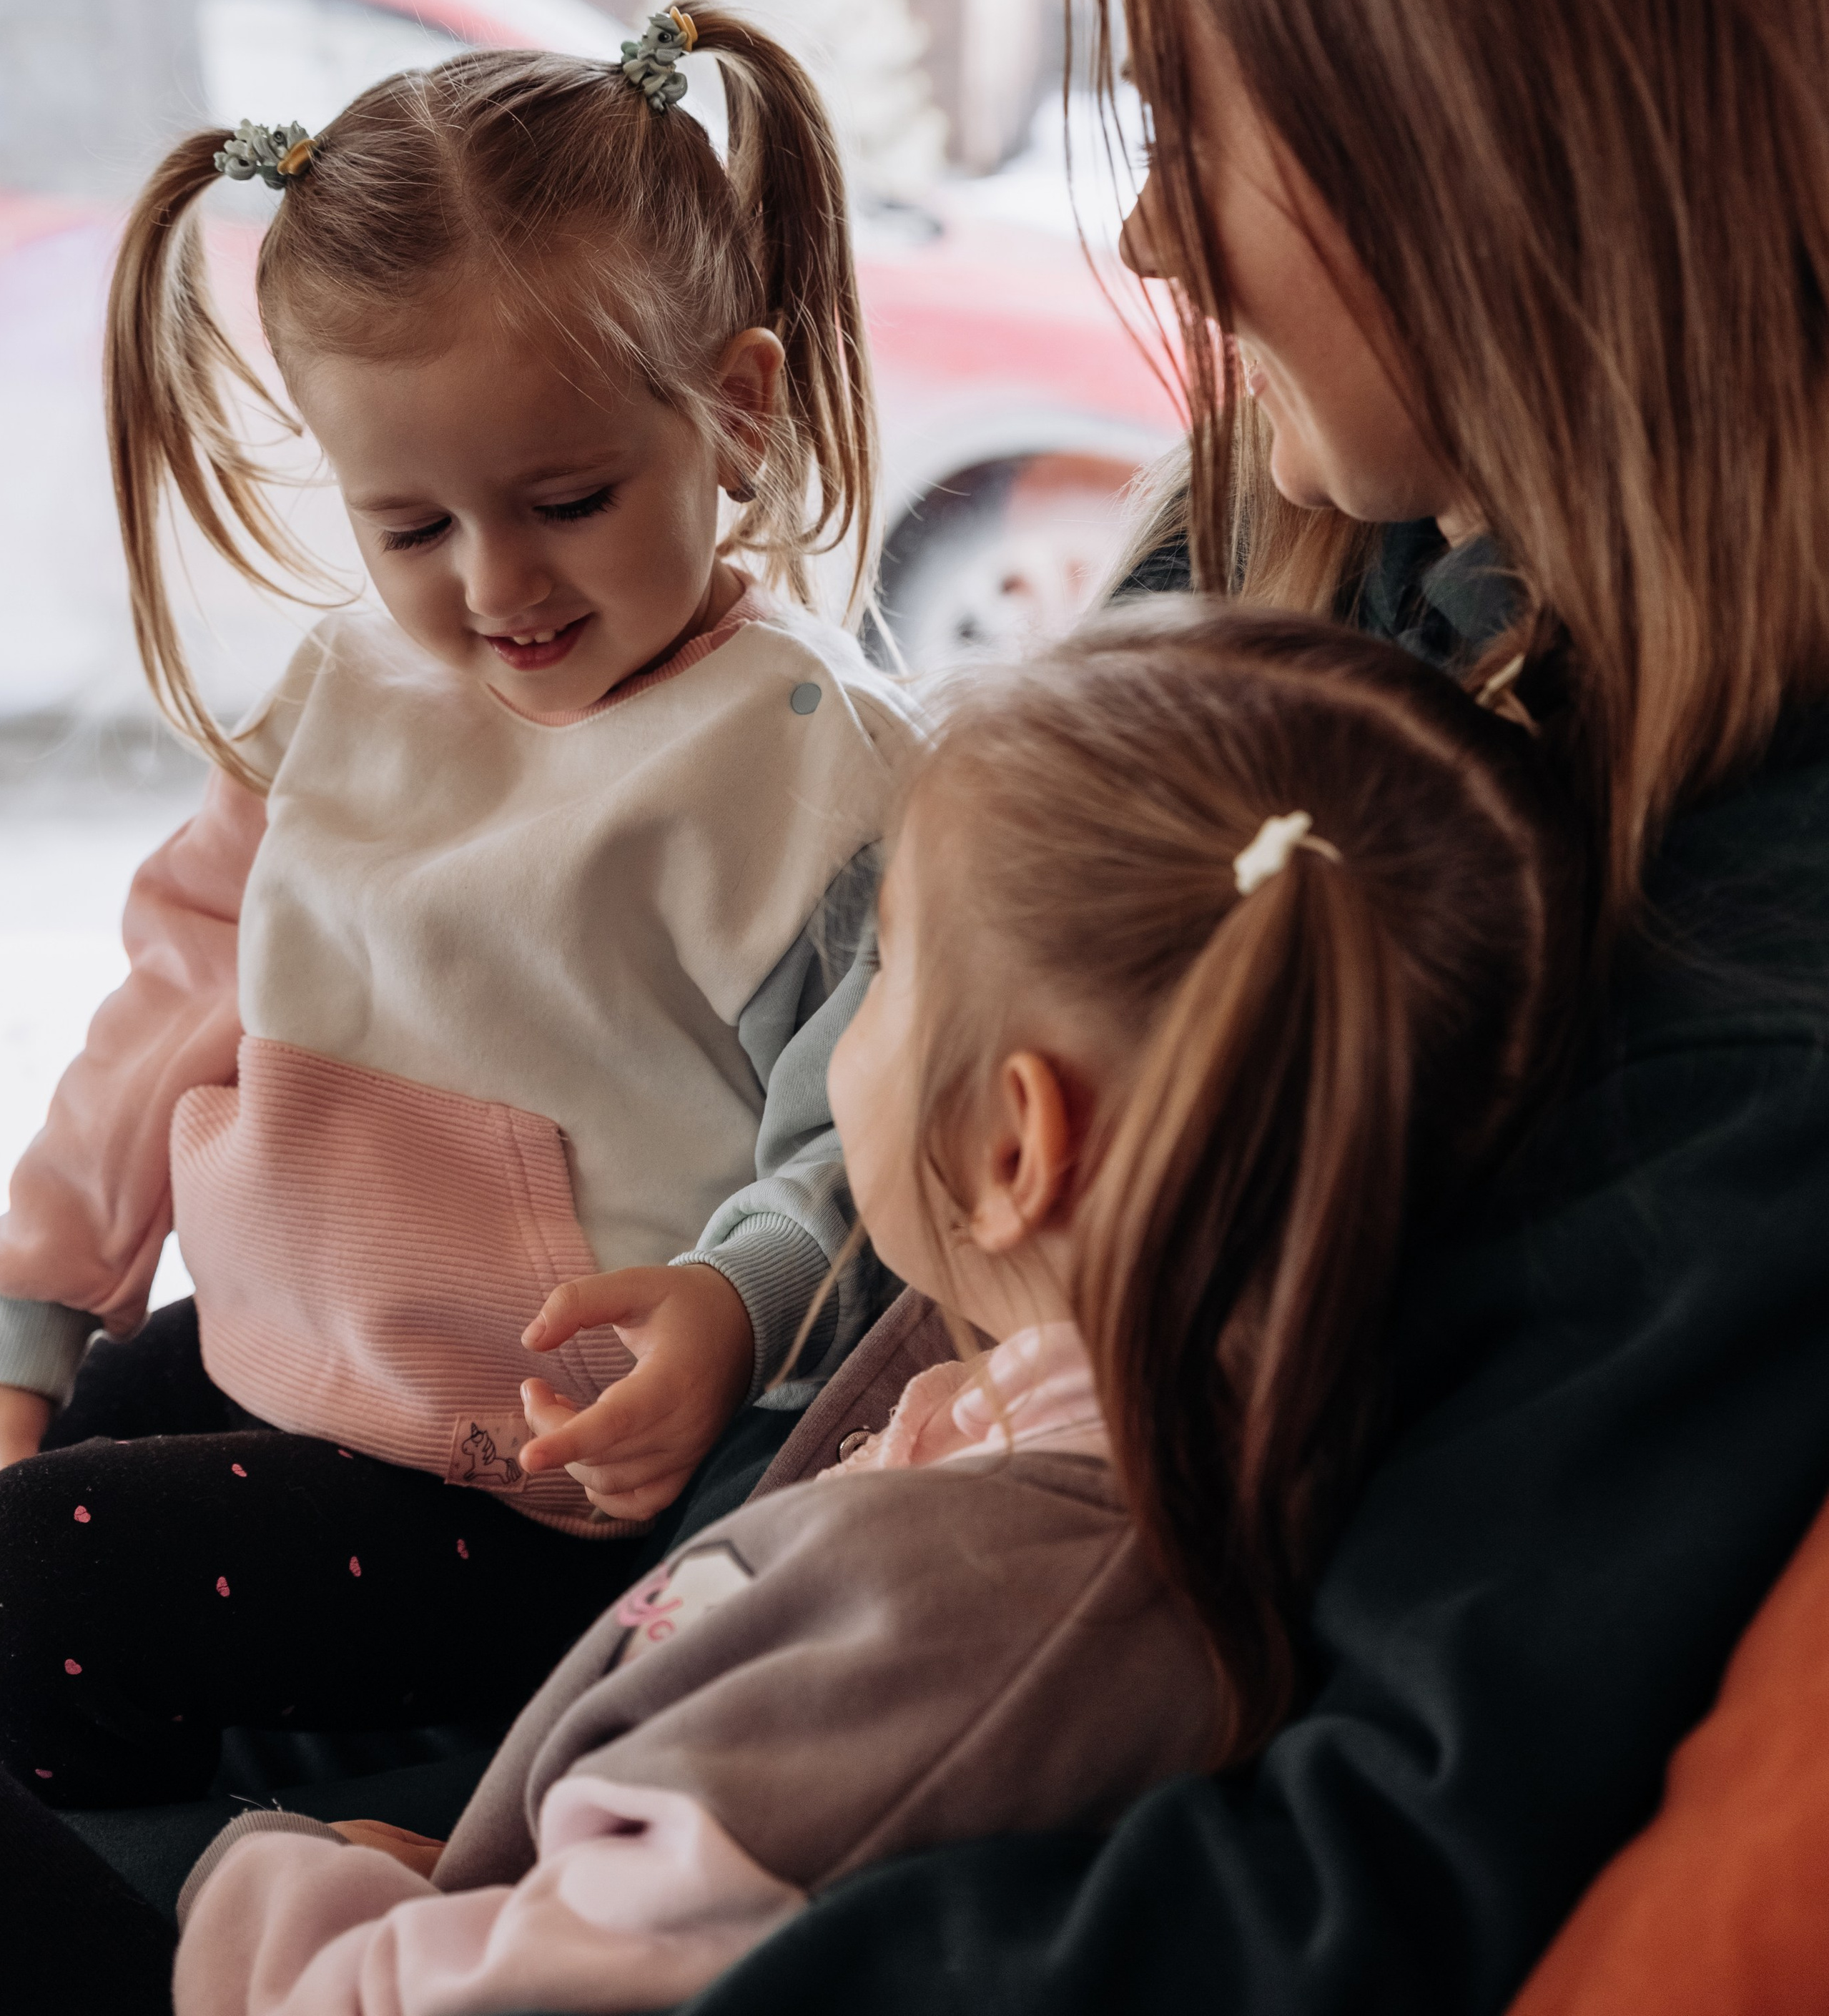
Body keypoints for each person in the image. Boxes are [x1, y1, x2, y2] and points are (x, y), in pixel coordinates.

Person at [631, 0, 1829, 2014]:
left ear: (1467, 149)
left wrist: (580, 1949)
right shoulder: (1336, 546)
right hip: (743, 1645)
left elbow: (1373, 1860)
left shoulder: (1747, 965)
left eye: (1197, 137)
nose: (1157, 233)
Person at [165, 601, 1572, 2016]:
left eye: (884, 970)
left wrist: (287, 1890)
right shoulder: (1051, 1440)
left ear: (1018, 1150)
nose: (853, 1017)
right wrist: (504, 1880)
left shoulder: (989, 1613)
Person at [0, 7, 920, 1808]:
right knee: (77, 1445)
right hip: (312, 1360)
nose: (498, 584)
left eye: (565, 500)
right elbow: (168, 1012)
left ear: (733, 409)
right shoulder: (337, 702)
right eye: (409, 529)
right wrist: (36, 1314)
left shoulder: (815, 764)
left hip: (555, 1490)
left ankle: (267, 1892)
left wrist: (731, 1308)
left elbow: (864, 1138)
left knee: (35, 1590)